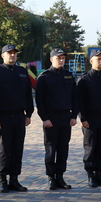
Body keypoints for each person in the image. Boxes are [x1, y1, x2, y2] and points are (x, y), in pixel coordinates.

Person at [0, 45, 33, 193]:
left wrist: (29, 114)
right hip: (3, 117)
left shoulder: (22, 71)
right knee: (4, 149)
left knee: (17, 148)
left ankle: (14, 179)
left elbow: (28, 93)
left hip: (19, 115)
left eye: (14, 53)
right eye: (9, 53)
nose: (12, 55)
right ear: (3, 56)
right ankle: (2, 180)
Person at [35, 48, 78, 190]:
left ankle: (60, 176)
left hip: (65, 117)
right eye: (58, 58)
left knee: (63, 148)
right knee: (50, 149)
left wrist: (74, 116)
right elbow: (40, 100)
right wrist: (44, 118)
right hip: (51, 118)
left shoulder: (69, 76)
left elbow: (75, 97)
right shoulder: (44, 77)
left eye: (63, 58)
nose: (61, 60)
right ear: (51, 59)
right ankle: (51, 177)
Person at [77, 49, 101, 187]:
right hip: (90, 118)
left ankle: (100, 174)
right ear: (91, 61)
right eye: (98, 59)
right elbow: (79, 101)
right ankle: (90, 175)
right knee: (90, 148)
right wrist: (83, 118)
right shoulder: (84, 79)